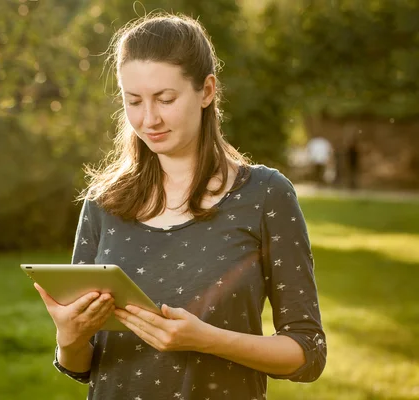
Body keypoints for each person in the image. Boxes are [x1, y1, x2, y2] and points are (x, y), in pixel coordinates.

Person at [34, 13, 327, 400]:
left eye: (165, 99)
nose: (149, 118)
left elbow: (308, 352)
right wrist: (68, 339)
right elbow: (82, 366)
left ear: (207, 91)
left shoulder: (264, 195)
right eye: (133, 101)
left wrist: (206, 340)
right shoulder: (103, 201)